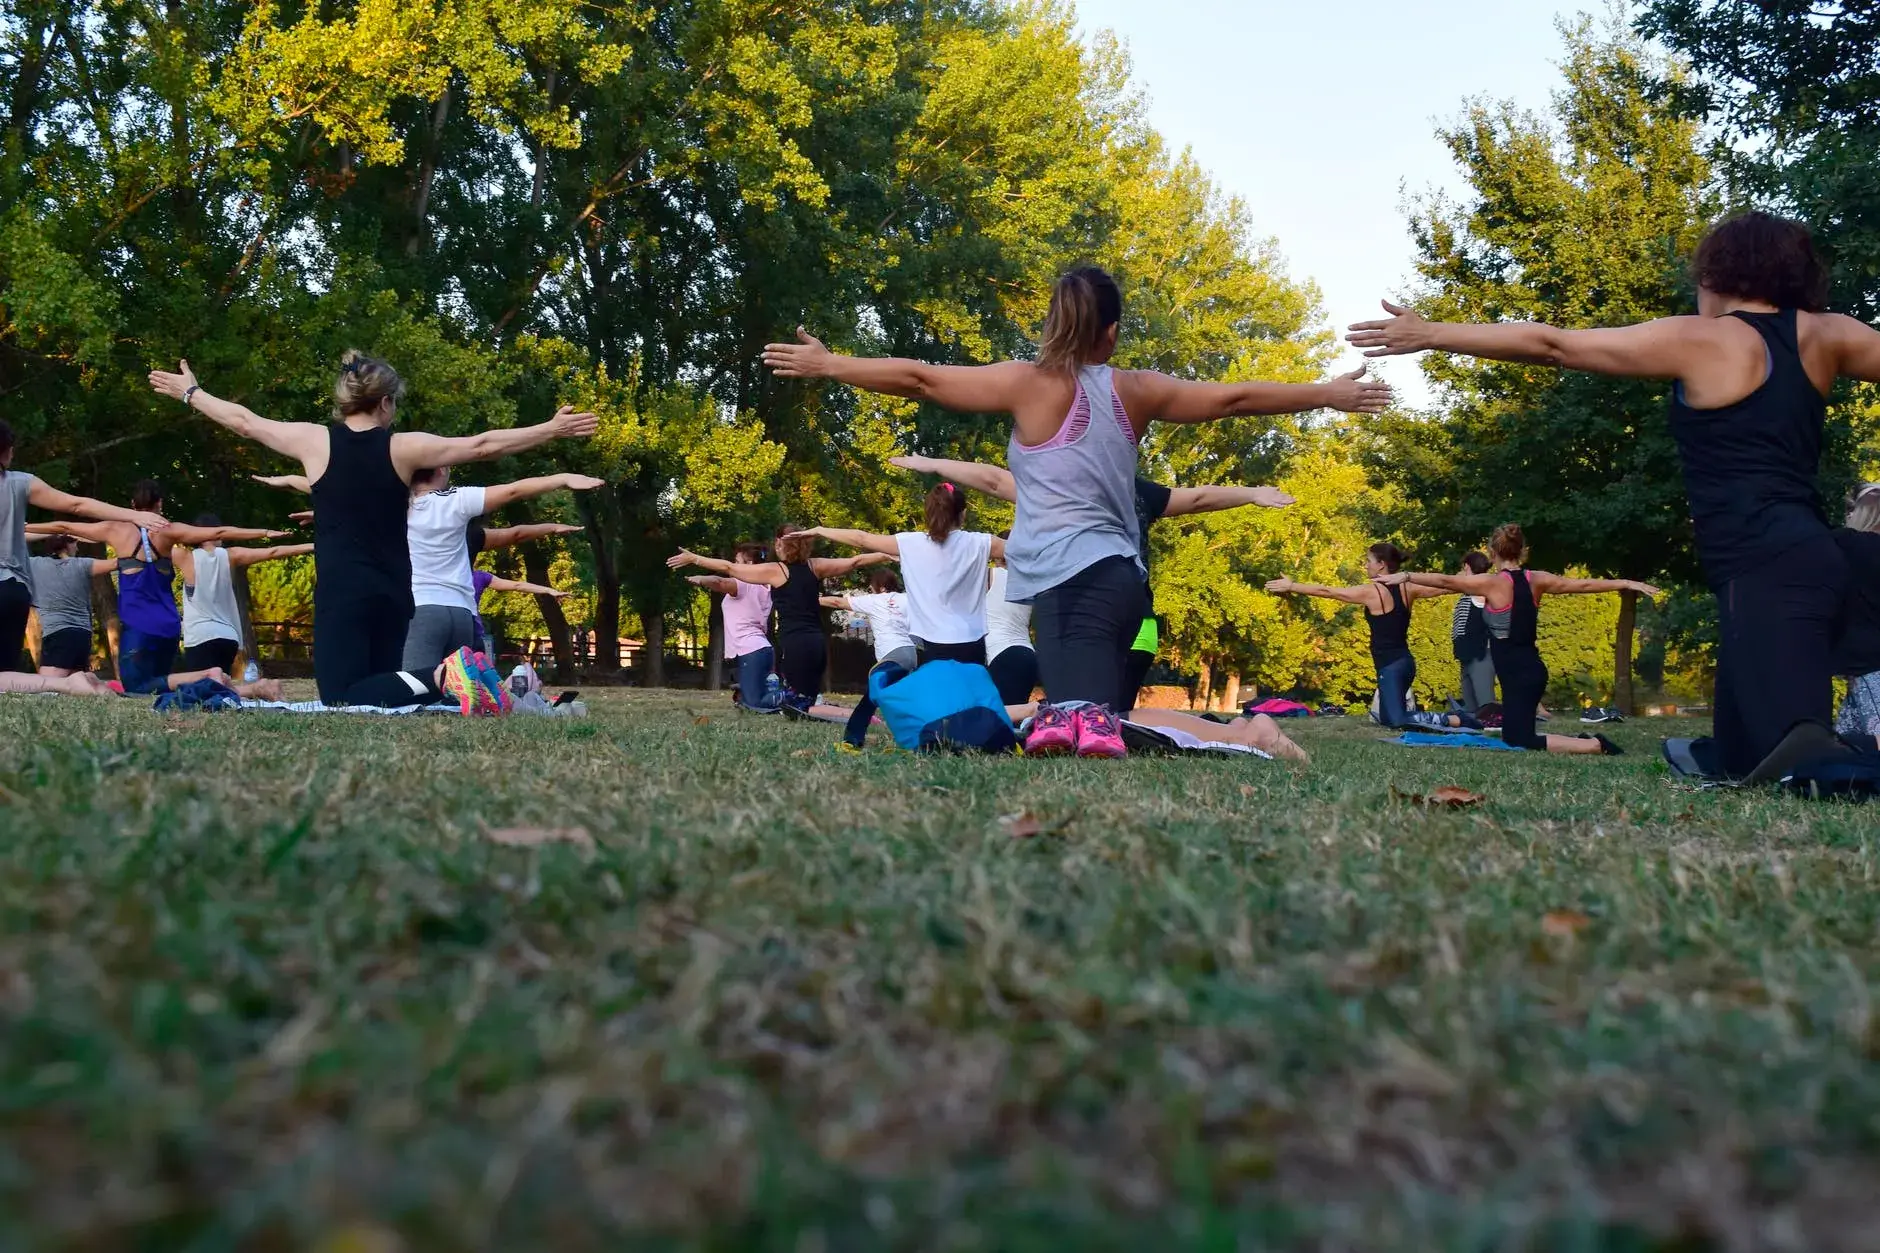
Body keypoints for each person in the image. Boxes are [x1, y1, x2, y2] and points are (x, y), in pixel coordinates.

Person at [765, 267, 1387, 758]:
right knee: (1078, 720)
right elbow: (1233, 397)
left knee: (1087, 722)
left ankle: (1245, 735)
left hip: (1075, 586)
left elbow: (922, 380)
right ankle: (1234, 733)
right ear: (1110, 332)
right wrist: (1326, 393)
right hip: (1120, 584)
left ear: (1054, 323)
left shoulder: (1029, 383)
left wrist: (832, 364)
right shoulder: (1136, 388)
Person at [1349, 210, 1880, 780]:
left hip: (1768, 571)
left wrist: (1432, 334)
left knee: (1799, 762)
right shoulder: (1831, 333)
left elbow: (1554, 345)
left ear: (1717, 275)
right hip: (1799, 562)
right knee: (1739, 758)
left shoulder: (1703, 338)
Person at [149, 353, 597, 706]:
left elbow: (244, 422)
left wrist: (193, 393)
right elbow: (481, 445)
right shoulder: (405, 448)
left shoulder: (313, 440)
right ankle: (455, 682)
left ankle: (446, 675)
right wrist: (550, 430)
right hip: (395, 593)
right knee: (385, 693)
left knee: (342, 695)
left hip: (345, 592)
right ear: (385, 402)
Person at [890, 453, 1296, 711]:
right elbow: (1199, 498)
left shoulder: (1063, 491)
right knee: (1113, 712)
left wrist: (935, 464)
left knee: (1086, 710)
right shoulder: (1140, 492)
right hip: (1139, 616)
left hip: (1085, 615)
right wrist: (1251, 492)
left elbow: (996, 481)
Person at [1378, 524, 1661, 754]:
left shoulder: (1491, 582)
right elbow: (1583, 585)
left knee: (1520, 740)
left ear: (1491, 552)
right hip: (1527, 671)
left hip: (1519, 674)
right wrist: (1626, 582)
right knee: (1515, 735)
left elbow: (1445, 581)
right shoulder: (1537, 578)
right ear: (1523, 550)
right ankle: (1586, 741)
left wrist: (1405, 576)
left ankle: (1595, 745)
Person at [28, 480, 292, 694]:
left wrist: (24, 527)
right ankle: (234, 686)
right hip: (168, 625)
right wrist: (265, 532)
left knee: (136, 686)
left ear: (132, 505)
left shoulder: (114, 529)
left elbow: (63, 526)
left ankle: (208, 676)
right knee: (162, 685)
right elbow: (219, 533)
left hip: (139, 626)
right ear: (160, 504)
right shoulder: (170, 531)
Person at [0, 419, 169, 671]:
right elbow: (77, 504)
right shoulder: (20, 482)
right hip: (12, 589)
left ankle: (71, 685)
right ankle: (77, 684)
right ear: (7, 450)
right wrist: (132, 515)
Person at [402, 468, 602, 671]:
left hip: (420, 608)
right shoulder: (457, 505)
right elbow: (513, 500)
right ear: (441, 470)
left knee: (416, 686)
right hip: (462, 613)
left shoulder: (392, 507)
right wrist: (562, 479)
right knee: (457, 692)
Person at [667, 526, 890, 707]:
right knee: (808, 701)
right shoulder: (816, 566)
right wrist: (886, 552)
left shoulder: (776, 571)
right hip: (818, 643)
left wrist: (694, 558)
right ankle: (838, 711)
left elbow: (728, 568)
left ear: (780, 545)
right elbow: (855, 561)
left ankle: (854, 717)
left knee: (797, 705)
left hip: (796, 644)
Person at [794, 483, 1003, 667]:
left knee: (941, 704)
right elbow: (1025, 552)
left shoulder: (910, 543)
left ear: (928, 513)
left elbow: (861, 538)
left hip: (932, 642)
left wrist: (820, 529)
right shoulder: (982, 542)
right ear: (963, 513)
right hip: (972, 640)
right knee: (969, 703)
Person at [1264, 543, 1452, 728]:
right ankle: (1443, 717)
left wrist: (1292, 586)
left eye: (1368, 560)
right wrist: (1470, 582)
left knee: (1396, 720)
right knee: (1387, 719)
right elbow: (1444, 587)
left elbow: (1328, 591)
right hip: (1403, 663)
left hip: (1391, 667)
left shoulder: (1372, 591)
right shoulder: (1408, 588)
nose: (1365, 565)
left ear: (1381, 564)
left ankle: (1455, 719)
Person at [175, 518, 313, 695]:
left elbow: (154, 544)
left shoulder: (184, 557)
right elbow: (273, 551)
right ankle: (259, 689)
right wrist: (312, 545)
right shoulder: (232, 555)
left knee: (203, 693)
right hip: (228, 636)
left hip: (200, 636)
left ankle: (258, 689)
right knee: (218, 691)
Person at [821, 567, 917, 748]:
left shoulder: (874, 600)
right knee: (898, 699)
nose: (871, 589)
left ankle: (852, 740)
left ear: (880, 587)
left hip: (892, 656)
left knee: (870, 698)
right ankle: (917, 738)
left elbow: (837, 602)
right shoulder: (906, 599)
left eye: (872, 586)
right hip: (910, 654)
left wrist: (813, 600)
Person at [685, 541, 778, 711]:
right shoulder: (767, 585)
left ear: (749, 564)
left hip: (751, 649)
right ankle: (789, 696)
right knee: (749, 699)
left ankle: (798, 697)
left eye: (736, 561)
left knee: (754, 703)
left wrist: (701, 579)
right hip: (760, 649)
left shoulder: (743, 583)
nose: (734, 566)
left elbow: (720, 582)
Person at [27, 534, 116, 677]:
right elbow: (118, 562)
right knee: (77, 685)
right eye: (75, 543)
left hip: (58, 633)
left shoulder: (34, 564)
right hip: (83, 635)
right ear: (67, 545)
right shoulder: (83, 564)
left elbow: (10, 545)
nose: (78, 546)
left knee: (49, 687)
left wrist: (46, 531)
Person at [1833, 484, 1880, 747]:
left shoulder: (1847, 544)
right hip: (1865, 663)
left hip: (1868, 663)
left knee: (1851, 741)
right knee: (1848, 740)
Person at [1451, 551, 1497, 713]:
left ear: (1468, 567)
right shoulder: (1470, 591)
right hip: (1467, 653)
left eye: (1464, 569)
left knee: (1485, 701)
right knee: (1471, 705)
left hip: (1481, 653)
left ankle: (1495, 726)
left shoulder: (1480, 590)